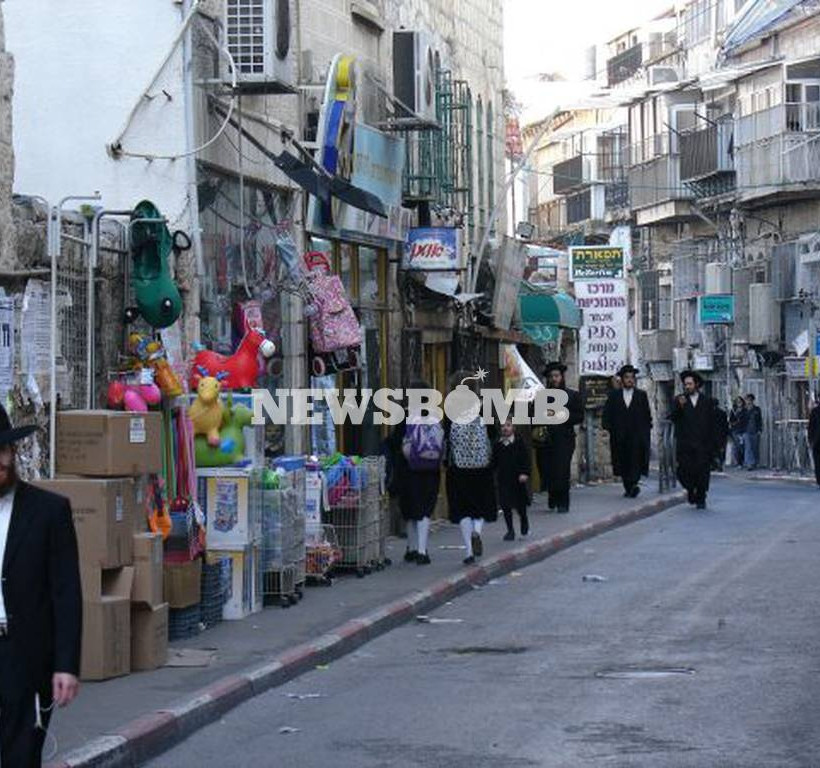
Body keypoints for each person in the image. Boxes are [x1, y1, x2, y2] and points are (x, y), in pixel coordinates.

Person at [0, 405, 82, 766]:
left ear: (12, 453)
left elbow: (66, 593)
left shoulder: (49, 512)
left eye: (1, 451)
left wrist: (66, 664)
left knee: (20, 756)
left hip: (24, 655)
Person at [387, 380, 443, 566]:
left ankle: (411, 548)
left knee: (410, 509)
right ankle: (422, 550)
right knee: (425, 509)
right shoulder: (435, 415)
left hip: (409, 469)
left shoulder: (405, 416)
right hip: (430, 470)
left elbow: (395, 441)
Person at [444, 371, 498, 565]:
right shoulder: (484, 408)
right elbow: (493, 433)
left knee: (462, 509)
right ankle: (477, 531)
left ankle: (468, 551)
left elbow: (446, 437)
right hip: (482, 466)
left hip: (459, 467)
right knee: (481, 506)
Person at [670, 370, 720, 509]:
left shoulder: (706, 401)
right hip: (685, 444)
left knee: (702, 472)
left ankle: (701, 497)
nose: (687, 387)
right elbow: (673, 418)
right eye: (685, 384)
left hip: (703, 445)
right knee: (684, 471)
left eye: (690, 384)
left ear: (696, 384)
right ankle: (691, 490)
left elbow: (713, 424)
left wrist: (715, 445)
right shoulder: (679, 400)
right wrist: (679, 407)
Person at [539, 362, 584, 513]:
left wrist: (563, 415)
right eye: (551, 377)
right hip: (546, 440)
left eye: (557, 376)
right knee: (548, 470)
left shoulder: (572, 395)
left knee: (562, 470)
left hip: (564, 439)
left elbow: (579, 416)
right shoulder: (542, 396)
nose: (554, 379)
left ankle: (563, 502)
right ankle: (552, 496)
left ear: (562, 377)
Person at [602, 364, 652, 498]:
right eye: (627, 377)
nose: (630, 380)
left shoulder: (641, 395)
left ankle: (634, 484)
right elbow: (607, 414)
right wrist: (608, 427)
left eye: (632, 377)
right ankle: (628, 486)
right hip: (620, 436)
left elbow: (647, 416)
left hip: (636, 436)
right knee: (623, 461)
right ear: (622, 380)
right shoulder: (614, 396)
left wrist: (645, 432)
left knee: (635, 460)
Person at [493, 417, 531, 541]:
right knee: (505, 505)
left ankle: (524, 520)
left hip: (517, 479)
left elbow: (526, 460)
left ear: (513, 428)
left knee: (520, 505)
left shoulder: (519, 443)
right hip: (503, 479)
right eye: (503, 426)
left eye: (508, 425)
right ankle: (510, 530)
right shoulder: (498, 444)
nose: (505, 428)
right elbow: (494, 462)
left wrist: (525, 473)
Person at [743, 393, 763, 470]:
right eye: (747, 400)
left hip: (755, 430)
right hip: (746, 430)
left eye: (750, 400)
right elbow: (741, 420)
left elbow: (760, 420)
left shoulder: (757, 409)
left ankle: (755, 462)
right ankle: (749, 463)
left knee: (755, 447)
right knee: (748, 447)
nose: (748, 401)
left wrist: (760, 429)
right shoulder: (744, 410)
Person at [728, 396, 748, 468]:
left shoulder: (745, 410)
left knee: (743, 446)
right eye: (737, 402)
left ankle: (742, 461)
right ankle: (738, 462)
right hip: (735, 430)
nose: (739, 403)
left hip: (743, 430)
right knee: (737, 446)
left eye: (740, 401)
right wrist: (734, 423)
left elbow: (746, 420)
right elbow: (730, 421)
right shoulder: (733, 411)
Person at [807, 396, 820, 488]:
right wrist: (810, 439)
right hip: (817, 440)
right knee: (817, 461)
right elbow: (811, 427)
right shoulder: (815, 411)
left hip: (816, 440)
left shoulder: (815, 411)